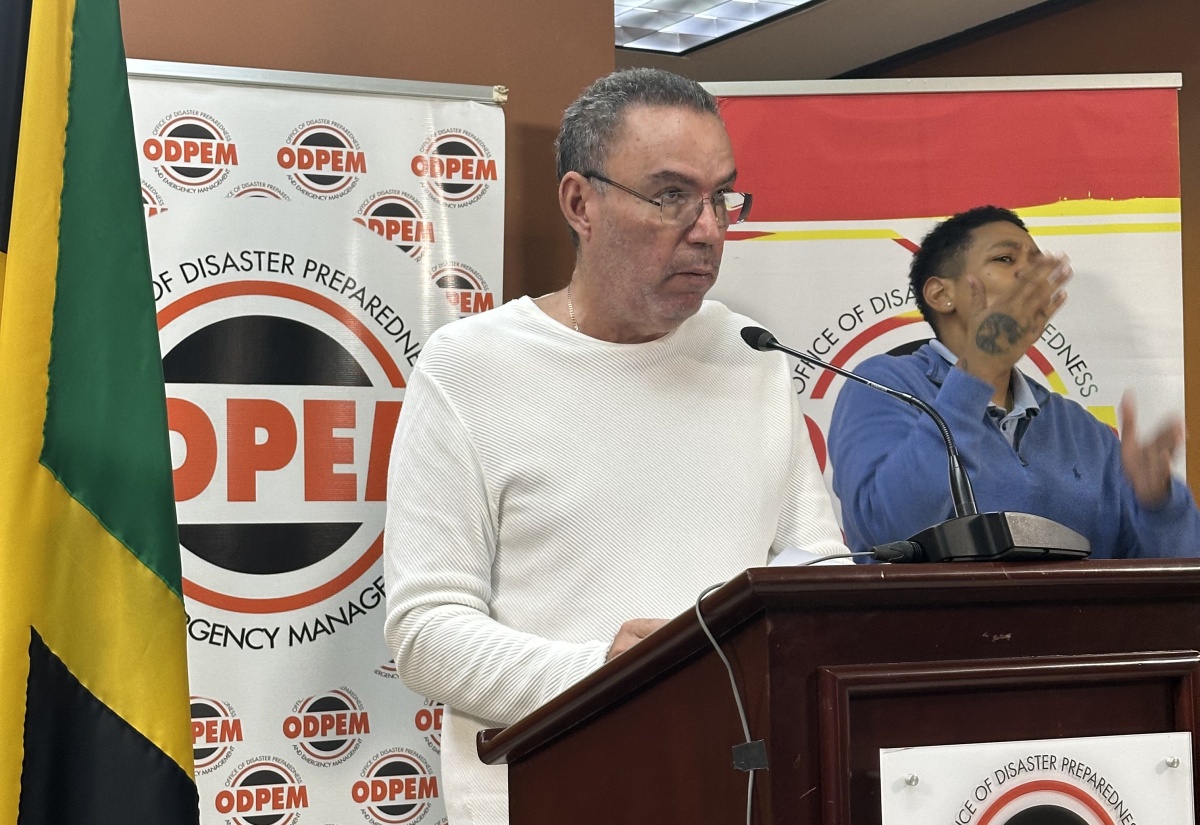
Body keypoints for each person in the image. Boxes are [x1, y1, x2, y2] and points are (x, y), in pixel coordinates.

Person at [382, 68, 846, 824]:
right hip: (553, 791)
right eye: (671, 196)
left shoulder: (750, 353)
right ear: (580, 203)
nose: (708, 228)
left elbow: (813, 565)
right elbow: (423, 632)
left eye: (722, 196)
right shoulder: (470, 368)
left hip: (739, 789)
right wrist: (604, 673)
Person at [828, 204, 1200, 558]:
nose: (1028, 273)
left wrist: (1159, 506)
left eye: (1036, 262)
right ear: (941, 294)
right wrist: (979, 371)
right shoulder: (881, 386)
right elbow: (888, 533)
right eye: (1005, 259)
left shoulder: (1081, 430)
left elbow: (1174, 574)